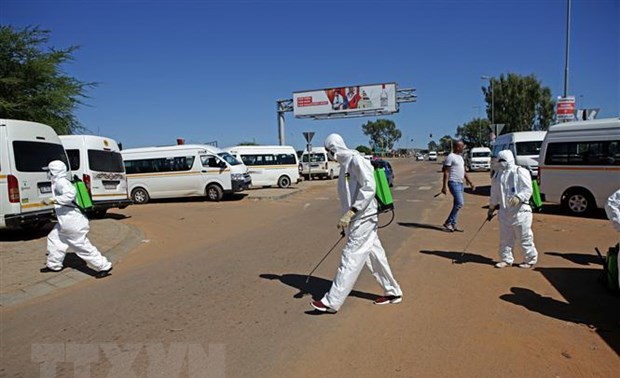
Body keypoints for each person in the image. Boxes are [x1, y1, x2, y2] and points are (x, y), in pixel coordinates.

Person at [311, 133, 402, 313]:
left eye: (329, 151)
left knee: (351, 256)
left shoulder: (356, 160)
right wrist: (347, 221)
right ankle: (393, 292)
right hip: (357, 219)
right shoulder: (345, 165)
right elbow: (347, 196)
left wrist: (353, 211)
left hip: (364, 217)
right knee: (375, 255)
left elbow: (369, 187)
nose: (329, 155)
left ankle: (332, 301)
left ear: (333, 149)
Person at [40, 160, 113, 278]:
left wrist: (54, 200)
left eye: (49, 171)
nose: (47, 173)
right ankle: (54, 265)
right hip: (66, 221)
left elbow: (70, 194)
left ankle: (103, 265)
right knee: (54, 239)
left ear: (54, 172)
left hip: (72, 222)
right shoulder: (58, 182)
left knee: (81, 246)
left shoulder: (61, 182)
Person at [487, 150, 538, 269]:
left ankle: (530, 259)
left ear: (509, 160)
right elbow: (494, 193)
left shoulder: (520, 172)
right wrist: (491, 207)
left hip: (520, 211)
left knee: (524, 237)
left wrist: (519, 197)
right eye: (499, 161)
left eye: (502, 161)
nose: (500, 163)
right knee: (505, 238)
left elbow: (528, 189)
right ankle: (506, 259)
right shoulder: (497, 175)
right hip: (504, 212)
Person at [441, 140, 475, 232]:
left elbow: (464, 171)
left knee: (456, 204)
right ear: (457, 147)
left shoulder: (460, 158)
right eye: (462, 146)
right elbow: (446, 172)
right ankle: (448, 222)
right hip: (453, 182)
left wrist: (470, 182)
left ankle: (453, 223)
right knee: (460, 203)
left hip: (460, 183)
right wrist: (444, 186)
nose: (463, 148)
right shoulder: (450, 157)